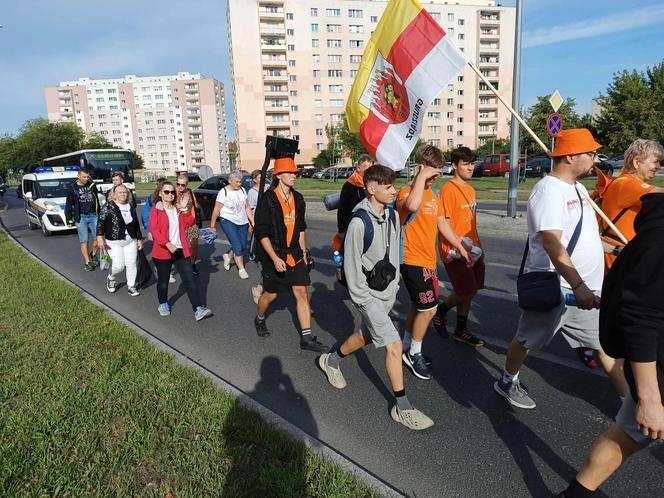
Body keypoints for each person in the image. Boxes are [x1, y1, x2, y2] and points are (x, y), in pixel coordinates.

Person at [494, 129, 629, 410]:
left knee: (606, 346)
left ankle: (630, 404)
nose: (595, 157)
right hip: (559, 289)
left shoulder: (578, 189)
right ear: (570, 155)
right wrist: (577, 286)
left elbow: (588, 237)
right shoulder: (548, 191)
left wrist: (618, 250)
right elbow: (552, 242)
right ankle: (507, 380)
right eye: (590, 153)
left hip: (588, 292)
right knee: (525, 340)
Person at [558, 192, 664, 497]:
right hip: (657, 368)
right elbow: (641, 314)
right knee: (625, 435)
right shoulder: (659, 234)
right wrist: (649, 398)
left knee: (624, 435)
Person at [318, 165, 434, 430]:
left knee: (366, 336)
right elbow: (351, 268)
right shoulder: (359, 223)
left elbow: (395, 252)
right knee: (393, 346)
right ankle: (402, 406)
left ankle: (331, 360)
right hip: (368, 296)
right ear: (371, 189)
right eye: (388, 186)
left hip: (387, 293)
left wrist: (393, 289)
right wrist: (364, 300)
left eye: (394, 185)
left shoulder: (392, 217)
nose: (394, 191)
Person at [397, 144, 470, 380]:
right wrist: (421, 176)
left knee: (418, 306)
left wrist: (460, 246)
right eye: (433, 172)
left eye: (439, 172)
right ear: (420, 168)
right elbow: (411, 206)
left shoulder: (435, 194)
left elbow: (442, 224)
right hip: (410, 259)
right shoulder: (406, 192)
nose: (436, 177)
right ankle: (414, 353)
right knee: (429, 309)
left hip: (428, 260)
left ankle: (406, 346)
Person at [253, 157, 327, 352]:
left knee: (301, 292)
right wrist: (275, 258)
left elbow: (301, 228)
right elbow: (261, 233)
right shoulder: (267, 200)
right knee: (271, 295)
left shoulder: (299, 198)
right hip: (274, 254)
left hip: (295, 253)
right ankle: (259, 318)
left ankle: (306, 338)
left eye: (295, 172)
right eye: (290, 173)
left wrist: (304, 253)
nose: (294, 176)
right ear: (278, 175)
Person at [433, 146, 485, 347]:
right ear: (454, 166)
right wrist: (462, 247)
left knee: (471, 291)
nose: (470, 168)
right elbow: (443, 224)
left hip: (473, 248)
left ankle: (461, 330)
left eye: (472, 163)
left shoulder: (470, 189)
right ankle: (441, 310)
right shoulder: (448, 190)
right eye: (465, 164)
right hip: (454, 251)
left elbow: (471, 222)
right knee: (466, 290)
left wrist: (478, 246)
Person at [148, 181, 213, 321]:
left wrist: (185, 210)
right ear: (160, 194)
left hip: (181, 250)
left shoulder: (178, 209)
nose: (170, 194)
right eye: (167, 192)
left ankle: (198, 309)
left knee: (190, 280)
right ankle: (163, 303)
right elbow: (154, 230)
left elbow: (189, 222)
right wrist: (166, 243)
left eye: (172, 192)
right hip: (162, 251)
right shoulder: (156, 210)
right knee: (163, 281)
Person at [597, 139, 664, 272]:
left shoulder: (624, 181)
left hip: (626, 256)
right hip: (621, 259)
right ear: (637, 162)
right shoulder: (626, 184)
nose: (658, 167)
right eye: (655, 161)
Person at [96, 184, 143, 296]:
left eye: (125, 192)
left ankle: (131, 286)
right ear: (114, 194)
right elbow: (100, 223)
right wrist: (99, 238)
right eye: (120, 192)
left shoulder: (130, 206)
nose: (123, 194)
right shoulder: (108, 206)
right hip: (113, 241)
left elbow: (136, 224)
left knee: (131, 263)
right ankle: (111, 277)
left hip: (130, 240)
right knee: (119, 265)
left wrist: (139, 239)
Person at [209, 171, 254, 279]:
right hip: (228, 221)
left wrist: (252, 221)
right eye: (237, 182)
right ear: (230, 181)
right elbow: (216, 209)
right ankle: (241, 269)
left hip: (242, 221)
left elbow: (247, 207)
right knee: (238, 247)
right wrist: (212, 226)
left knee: (242, 246)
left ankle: (228, 256)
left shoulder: (242, 190)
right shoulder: (223, 192)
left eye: (240, 182)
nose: (239, 184)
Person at [331, 153, 374, 252]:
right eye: (366, 169)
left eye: (371, 169)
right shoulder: (350, 185)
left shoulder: (371, 184)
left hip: (368, 225)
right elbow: (342, 208)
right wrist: (341, 230)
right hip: (352, 226)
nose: (370, 172)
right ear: (358, 168)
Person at [65, 168, 101, 271]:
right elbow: (69, 204)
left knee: (98, 240)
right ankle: (87, 262)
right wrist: (69, 219)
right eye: (84, 177)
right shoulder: (72, 188)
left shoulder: (91, 185)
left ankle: (93, 253)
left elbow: (97, 199)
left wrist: (92, 182)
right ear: (79, 176)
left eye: (87, 176)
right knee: (84, 240)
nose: (86, 179)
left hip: (94, 215)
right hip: (81, 217)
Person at [175, 173, 201, 275]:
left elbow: (195, 205)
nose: (180, 187)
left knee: (194, 244)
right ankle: (180, 264)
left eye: (183, 185)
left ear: (187, 185)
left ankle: (192, 264)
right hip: (178, 223)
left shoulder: (190, 193)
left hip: (191, 222)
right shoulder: (173, 193)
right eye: (178, 184)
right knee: (181, 246)